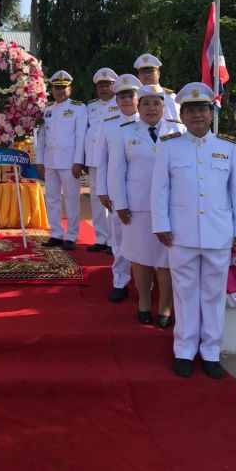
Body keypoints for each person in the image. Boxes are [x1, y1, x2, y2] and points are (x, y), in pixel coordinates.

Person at [151, 82, 236, 379]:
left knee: (213, 295)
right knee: (184, 294)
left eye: (202, 109)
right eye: (190, 110)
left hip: (219, 234)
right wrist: (161, 224)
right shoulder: (169, 146)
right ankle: (184, 350)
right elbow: (159, 190)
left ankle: (211, 352)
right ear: (181, 115)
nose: (197, 115)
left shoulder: (228, 147)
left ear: (211, 113)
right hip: (181, 235)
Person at [108, 84, 186, 327]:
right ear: (138, 106)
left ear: (164, 106)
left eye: (156, 103)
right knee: (140, 256)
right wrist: (120, 203)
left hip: (170, 206)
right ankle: (144, 301)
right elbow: (116, 172)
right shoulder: (124, 132)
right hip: (137, 206)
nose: (151, 108)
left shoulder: (178, 130)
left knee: (166, 259)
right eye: (146, 103)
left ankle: (165, 306)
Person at [95, 74, 141, 301]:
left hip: (143, 191)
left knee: (145, 239)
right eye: (121, 96)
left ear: (137, 98)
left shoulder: (150, 123)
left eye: (130, 95)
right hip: (116, 191)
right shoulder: (108, 124)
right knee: (119, 239)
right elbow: (101, 160)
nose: (126, 100)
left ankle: (145, 285)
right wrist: (102, 190)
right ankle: (120, 281)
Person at [36, 71, 87, 251]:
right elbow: (41, 137)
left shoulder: (78, 108)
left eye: (63, 88)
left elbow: (81, 137)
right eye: (57, 88)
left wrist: (78, 161)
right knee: (52, 198)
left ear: (69, 89)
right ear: (52, 89)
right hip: (50, 161)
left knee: (71, 199)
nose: (60, 91)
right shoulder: (46, 109)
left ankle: (72, 236)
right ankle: (56, 234)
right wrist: (39, 161)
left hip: (69, 162)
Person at [84, 68, 120, 253]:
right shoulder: (91, 106)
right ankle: (101, 238)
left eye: (108, 85)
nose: (104, 88)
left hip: (113, 158)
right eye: (101, 85)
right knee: (96, 198)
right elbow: (87, 133)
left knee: (113, 198)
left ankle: (115, 240)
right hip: (94, 159)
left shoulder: (121, 103)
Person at [134, 53, 180, 121]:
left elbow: (176, 124)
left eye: (151, 71)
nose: (147, 75)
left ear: (158, 74)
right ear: (138, 76)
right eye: (143, 72)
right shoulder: (133, 98)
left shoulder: (170, 97)